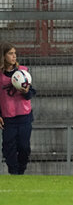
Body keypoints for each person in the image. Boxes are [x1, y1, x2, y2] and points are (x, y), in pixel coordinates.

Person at [0, 42, 36, 175]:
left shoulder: (23, 72)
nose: (14, 56)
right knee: (8, 148)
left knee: (24, 147)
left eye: (15, 53)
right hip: (8, 118)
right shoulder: (0, 75)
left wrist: (26, 91)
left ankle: (21, 171)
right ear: (3, 56)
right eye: (10, 53)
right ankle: (13, 172)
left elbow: (31, 94)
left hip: (24, 116)